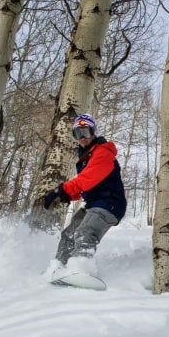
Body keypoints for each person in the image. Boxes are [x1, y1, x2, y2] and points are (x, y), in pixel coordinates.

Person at [40, 113, 126, 278]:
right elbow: (83, 188)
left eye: (85, 132)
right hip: (95, 204)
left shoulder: (103, 153)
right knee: (68, 234)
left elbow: (86, 181)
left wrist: (61, 190)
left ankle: (81, 269)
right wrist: (64, 196)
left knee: (85, 232)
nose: (82, 138)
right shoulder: (87, 156)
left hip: (110, 203)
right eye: (77, 134)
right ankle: (59, 268)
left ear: (93, 131)